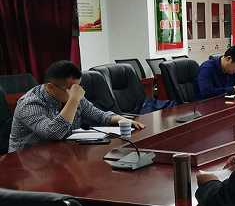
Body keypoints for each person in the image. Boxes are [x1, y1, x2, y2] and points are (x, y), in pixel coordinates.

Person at [8, 60, 145, 153]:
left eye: (78, 86)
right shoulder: (30, 103)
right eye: (70, 88)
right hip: (27, 164)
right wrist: (73, 99)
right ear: (50, 87)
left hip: (61, 154)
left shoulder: (73, 94)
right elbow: (53, 133)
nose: (77, 91)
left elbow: (98, 115)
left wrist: (121, 119)